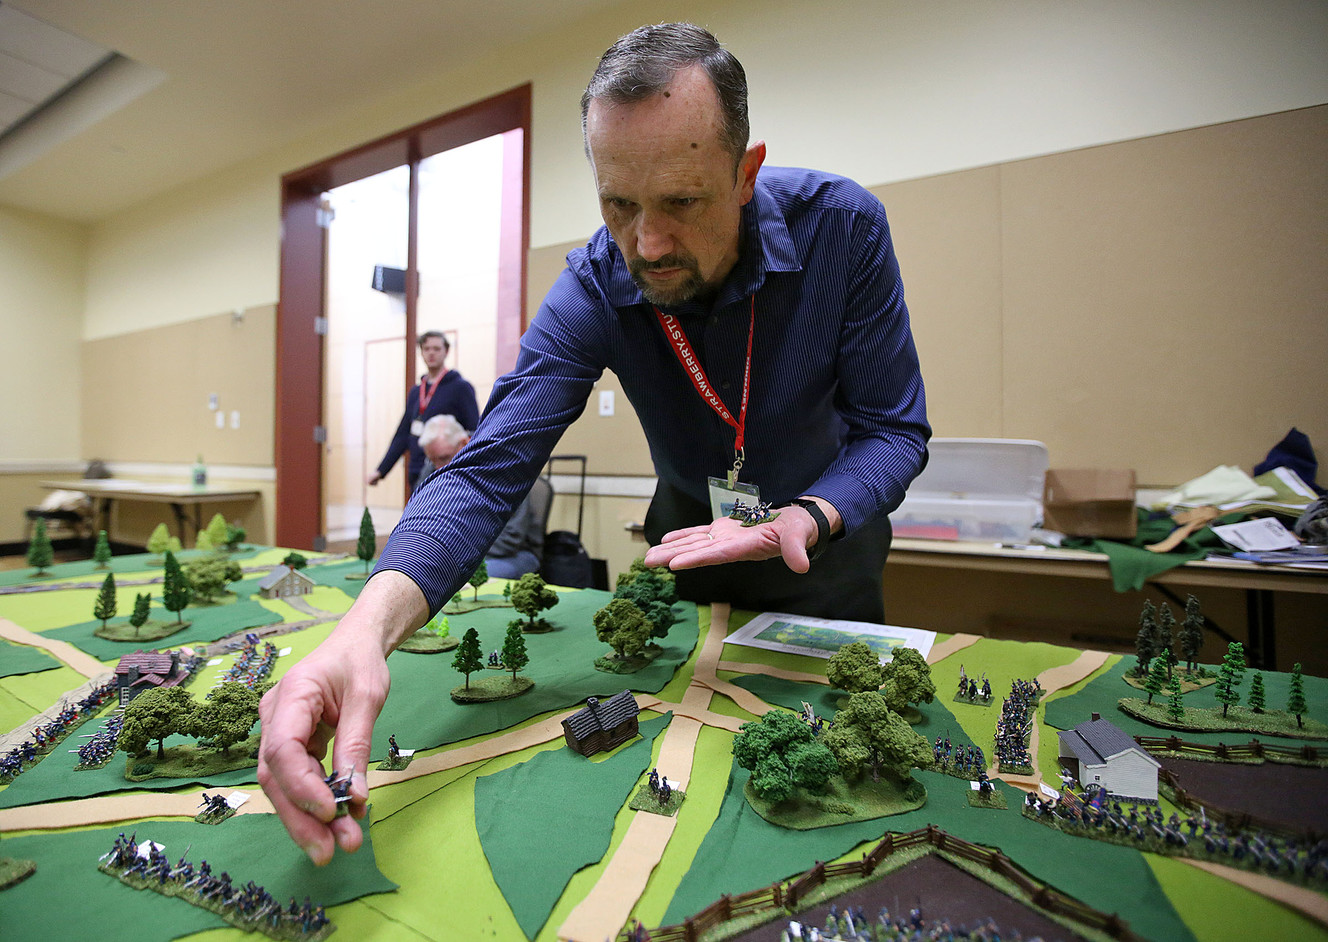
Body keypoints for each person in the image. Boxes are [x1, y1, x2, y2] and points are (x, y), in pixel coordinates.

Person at [258, 22, 928, 864]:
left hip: (825, 555)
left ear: (744, 173)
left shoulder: (845, 230)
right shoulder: (596, 284)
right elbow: (489, 467)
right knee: (689, 788)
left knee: (838, 790)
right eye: (619, 205)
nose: (646, 244)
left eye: (682, 202)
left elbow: (894, 429)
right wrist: (364, 629)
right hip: (689, 557)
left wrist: (812, 513)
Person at [416, 414, 546, 579]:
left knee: (458, 578)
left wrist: (460, 551)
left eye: (443, 458)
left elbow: (511, 539)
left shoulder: (502, 469)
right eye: (432, 460)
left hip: (512, 555)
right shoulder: (433, 471)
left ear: (464, 443)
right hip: (460, 554)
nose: (439, 468)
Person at [367, 330, 479, 488]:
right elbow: (402, 434)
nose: (431, 353)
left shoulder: (460, 387)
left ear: (446, 351)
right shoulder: (416, 392)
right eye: (426, 349)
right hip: (417, 470)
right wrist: (381, 470)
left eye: (436, 349)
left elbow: (474, 431)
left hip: (446, 471)